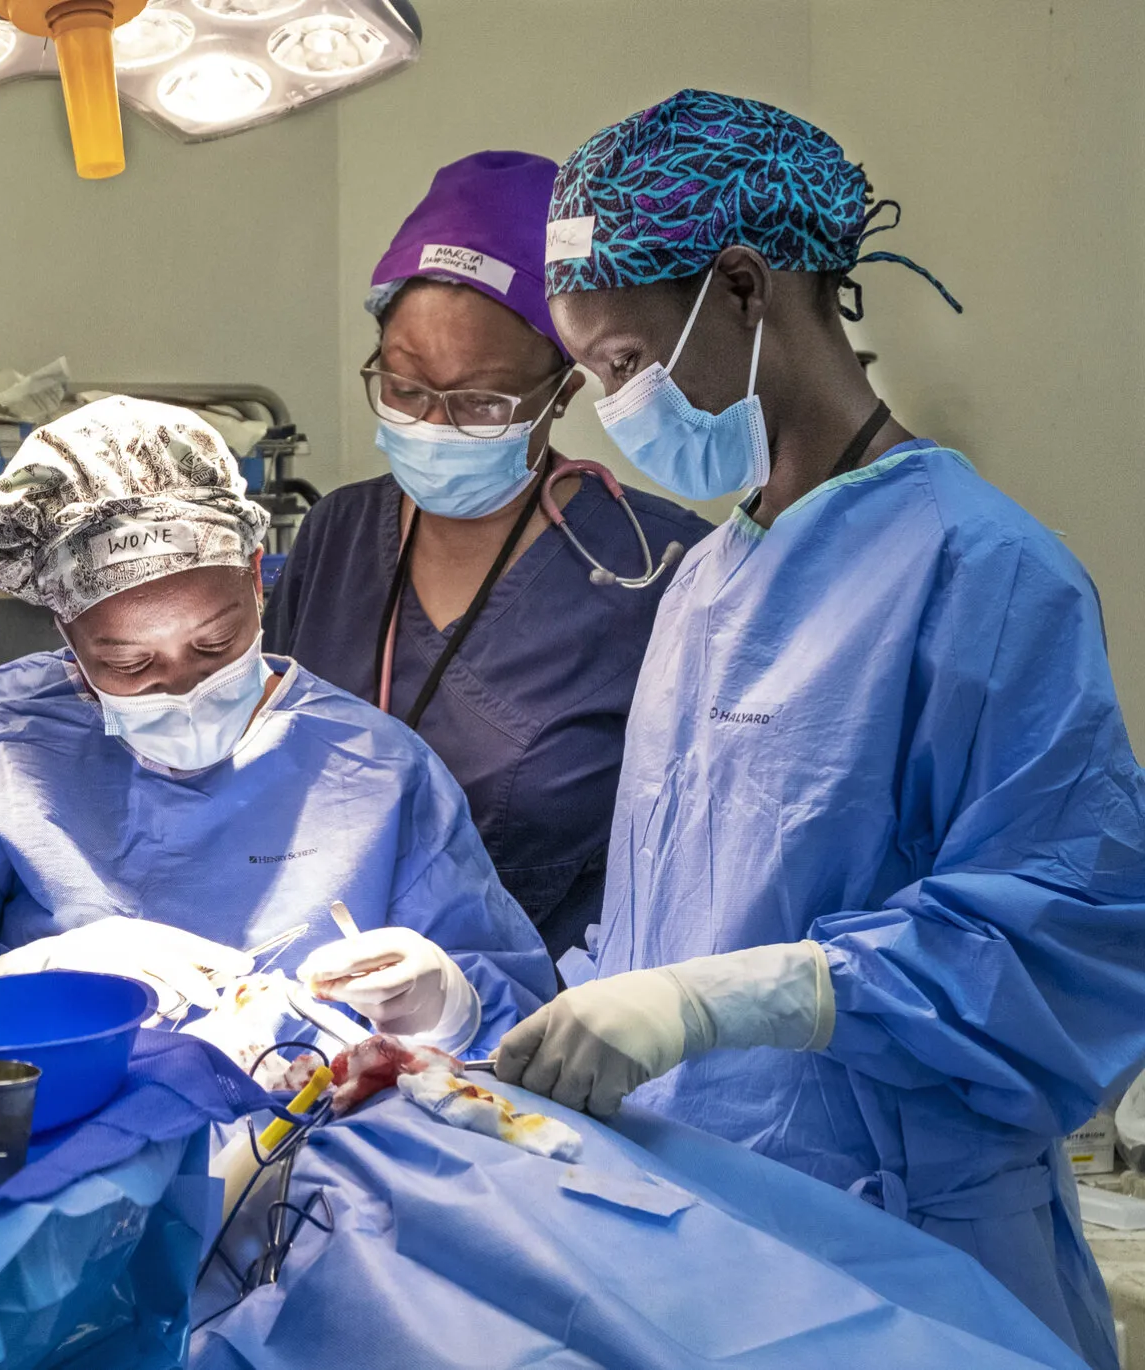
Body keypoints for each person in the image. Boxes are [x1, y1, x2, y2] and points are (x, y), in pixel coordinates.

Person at [492, 89, 1145, 1368]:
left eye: (623, 361)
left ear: (742, 287)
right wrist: (501, 1003)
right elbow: (671, 917)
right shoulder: (705, 579)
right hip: (706, 1224)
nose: (609, 406)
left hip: (910, 1251)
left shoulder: (986, 568)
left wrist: (745, 993)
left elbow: (1068, 942)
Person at [0, 395, 554, 1052]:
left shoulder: (375, 769)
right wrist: (33, 977)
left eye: (214, 644)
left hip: (321, 1140)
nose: (183, 686)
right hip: (57, 1134)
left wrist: (448, 1004)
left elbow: (520, 1023)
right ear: (64, 629)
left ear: (260, 578)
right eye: (129, 664)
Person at [265, 152, 711, 960]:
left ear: (562, 393)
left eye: (479, 403)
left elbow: (700, 859)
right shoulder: (335, 535)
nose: (433, 424)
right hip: (319, 992)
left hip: (544, 1023)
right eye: (403, 388)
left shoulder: (661, 568)